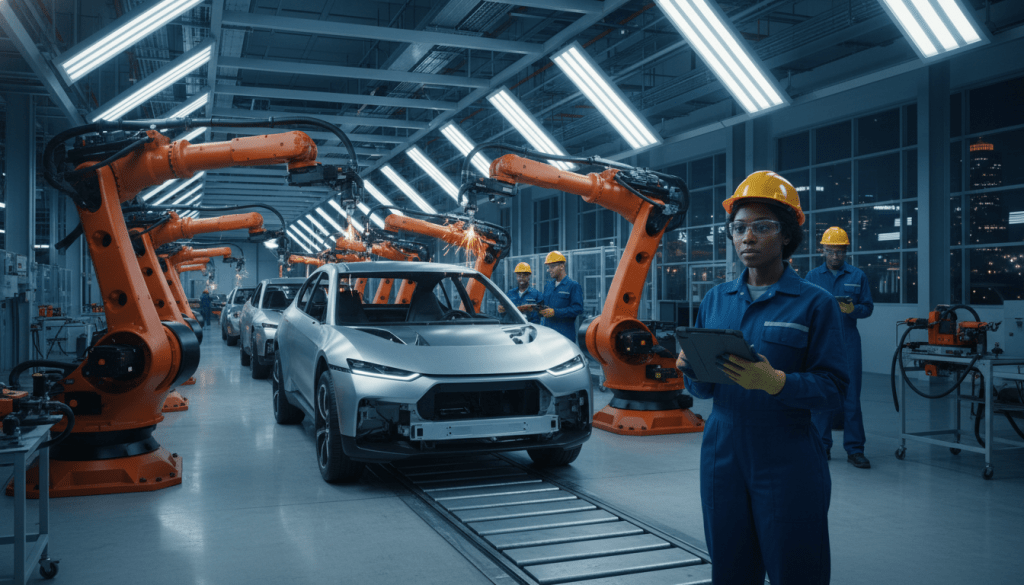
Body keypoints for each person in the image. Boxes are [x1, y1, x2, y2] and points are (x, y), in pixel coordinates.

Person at [676, 171, 848, 585]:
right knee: (730, 567)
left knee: (796, 568)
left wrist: (778, 383)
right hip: (722, 448)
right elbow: (703, 390)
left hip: (787, 452)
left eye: (762, 227)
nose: (747, 238)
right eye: (739, 228)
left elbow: (834, 389)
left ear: (787, 235)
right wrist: (691, 369)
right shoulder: (716, 299)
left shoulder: (815, 303)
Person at [805, 227, 874, 469]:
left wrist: (853, 310)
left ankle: (855, 450)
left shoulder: (857, 276)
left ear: (846, 251)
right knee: (822, 394)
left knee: (851, 397)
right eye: (831, 251)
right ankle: (821, 446)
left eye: (840, 252)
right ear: (823, 250)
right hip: (822, 341)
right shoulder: (812, 277)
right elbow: (804, 308)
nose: (835, 256)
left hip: (848, 340)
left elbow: (868, 307)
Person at [538, 251, 584, 342]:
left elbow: (578, 309)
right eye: (548, 267)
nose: (549, 270)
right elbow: (544, 305)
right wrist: (536, 308)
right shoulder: (548, 286)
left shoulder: (573, 285)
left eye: (552, 266)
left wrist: (555, 312)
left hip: (564, 335)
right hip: (548, 333)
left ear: (562, 266)